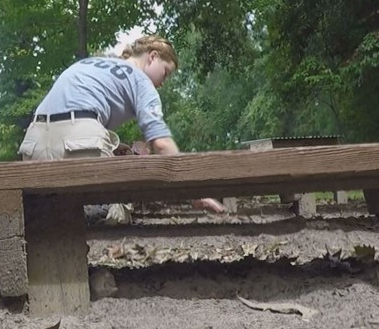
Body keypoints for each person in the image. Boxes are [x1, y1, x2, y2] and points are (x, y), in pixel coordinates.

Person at [19, 35, 225, 216]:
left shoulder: (89, 63)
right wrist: (194, 191)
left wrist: (113, 146)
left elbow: (67, 118)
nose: (162, 83)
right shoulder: (141, 82)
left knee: (51, 209)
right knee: (115, 209)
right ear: (152, 56)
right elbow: (161, 144)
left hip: (33, 142)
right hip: (78, 141)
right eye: (165, 73)